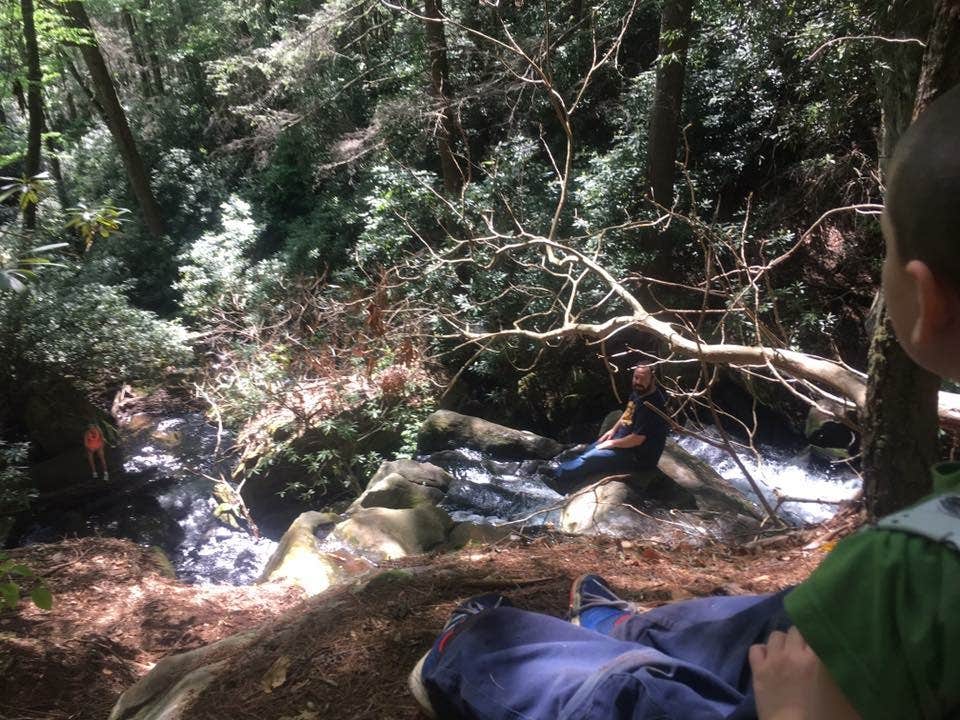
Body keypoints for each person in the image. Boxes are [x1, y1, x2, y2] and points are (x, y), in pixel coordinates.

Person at [408, 84, 960, 720]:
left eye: (885, 246)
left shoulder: (913, 567)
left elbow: (639, 439)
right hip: (833, 626)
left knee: (625, 689)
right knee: (727, 622)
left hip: (812, 681)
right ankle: (623, 627)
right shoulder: (911, 561)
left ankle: (474, 651)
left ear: (928, 303)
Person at [544, 364, 669, 494]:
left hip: (638, 456)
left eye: (642, 379)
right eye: (635, 377)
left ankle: (558, 479)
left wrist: (612, 443)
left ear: (653, 379)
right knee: (590, 449)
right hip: (624, 443)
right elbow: (628, 413)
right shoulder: (639, 392)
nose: (638, 382)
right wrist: (613, 431)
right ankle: (564, 476)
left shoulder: (653, 406)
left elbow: (637, 439)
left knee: (591, 457)